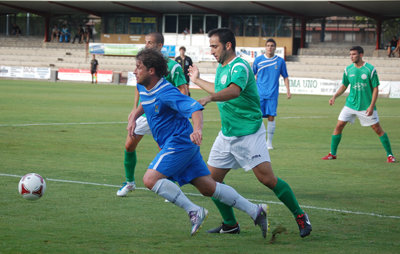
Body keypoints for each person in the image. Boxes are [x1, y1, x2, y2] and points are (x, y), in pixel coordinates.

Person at [128, 48, 268, 237]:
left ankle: (194, 211)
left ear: (151, 71)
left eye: (138, 67)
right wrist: (133, 116)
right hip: (180, 145)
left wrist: (197, 129)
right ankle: (255, 210)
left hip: (180, 143)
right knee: (208, 187)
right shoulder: (143, 86)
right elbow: (145, 103)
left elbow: (195, 108)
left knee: (150, 179)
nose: (135, 71)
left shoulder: (166, 92)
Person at [188, 28, 312, 238]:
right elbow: (219, 88)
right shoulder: (222, 67)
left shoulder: (241, 66)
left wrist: (209, 99)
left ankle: (300, 215)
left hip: (249, 133)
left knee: (267, 180)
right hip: (227, 134)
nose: (212, 51)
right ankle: (230, 224)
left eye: (215, 46)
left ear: (228, 46)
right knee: (209, 183)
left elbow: (233, 91)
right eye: (210, 47)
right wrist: (197, 80)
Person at [117, 32, 188, 197]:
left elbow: (183, 90)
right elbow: (140, 88)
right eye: (145, 42)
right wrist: (134, 111)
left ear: (160, 46)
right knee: (129, 145)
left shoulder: (173, 66)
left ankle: (170, 186)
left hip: (164, 117)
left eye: (150, 43)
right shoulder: (142, 64)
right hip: (146, 113)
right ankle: (129, 183)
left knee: (165, 151)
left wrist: (178, 109)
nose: (146, 45)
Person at [322, 46, 396, 163]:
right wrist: (334, 96)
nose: (351, 56)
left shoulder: (370, 69)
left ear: (361, 55)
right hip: (350, 104)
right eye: (350, 54)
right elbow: (344, 85)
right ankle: (332, 153)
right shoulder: (348, 70)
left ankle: (390, 155)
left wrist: (371, 106)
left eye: (354, 54)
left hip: (366, 106)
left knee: (377, 129)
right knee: (339, 126)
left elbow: (376, 88)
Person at [252, 38, 291, 150]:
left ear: (275, 47)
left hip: (273, 94)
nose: (270, 47)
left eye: (272, 46)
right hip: (259, 94)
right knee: (257, 117)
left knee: (271, 117)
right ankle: (258, 142)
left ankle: (269, 142)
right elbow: (251, 76)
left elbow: (285, 76)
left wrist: (288, 90)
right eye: (268, 45)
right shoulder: (258, 60)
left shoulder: (280, 61)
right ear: (265, 47)